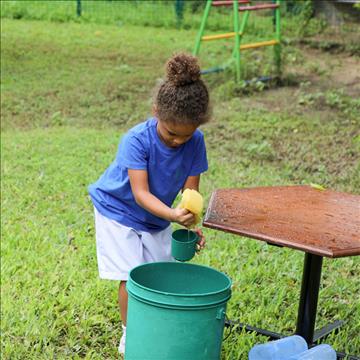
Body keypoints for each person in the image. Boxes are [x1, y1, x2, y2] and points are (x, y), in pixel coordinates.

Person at [88, 52, 211, 354]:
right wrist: (172, 214)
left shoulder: (195, 142)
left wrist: (189, 223)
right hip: (117, 210)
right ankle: (132, 333)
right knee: (133, 275)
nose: (179, 142)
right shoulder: (136, 140)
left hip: (156, 216)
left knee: (158, 273)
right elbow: (140, 194)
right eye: (171, 133)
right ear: (156, 112)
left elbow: (190, 195)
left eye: (186, 135)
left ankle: (157, 324)